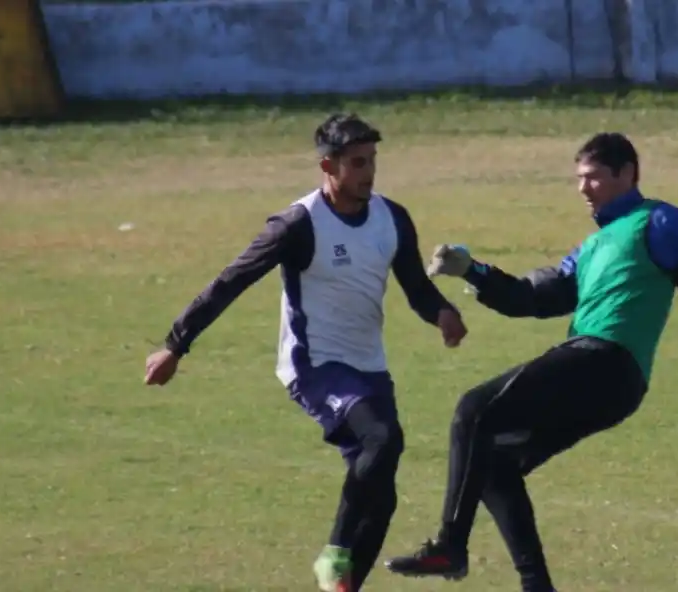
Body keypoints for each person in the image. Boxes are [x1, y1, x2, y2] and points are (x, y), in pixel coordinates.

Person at [383, 132, 678, 592]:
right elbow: (531, 297)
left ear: (626, 174)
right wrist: (474, 271)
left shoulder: (658, 222)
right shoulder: (591, 248)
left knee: (473, 411)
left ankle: (450, 547)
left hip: (604, 361)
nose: (583, 189)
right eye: (579, 179)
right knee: (493, 464)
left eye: (593, 177)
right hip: (610, 384)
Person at [143, 113, 468, 592]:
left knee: (381, 496)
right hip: (314, 365)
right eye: (357, 163)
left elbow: (415, 285)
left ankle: (343, 586)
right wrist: (175, 345)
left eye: (372, 161)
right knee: (384, 439)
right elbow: (232, 281)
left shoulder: (391, 217)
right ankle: (335, 554)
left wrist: (442, 313)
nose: (368, 172)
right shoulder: (298, 225)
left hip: (369, 365)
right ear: (327, 166)